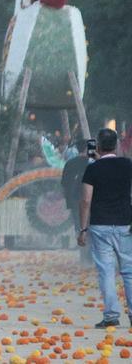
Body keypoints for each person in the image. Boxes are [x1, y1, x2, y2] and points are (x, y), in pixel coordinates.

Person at [76, 128, 132, 328]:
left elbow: (85, 200)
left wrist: (83, 229)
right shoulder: (128, 165)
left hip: (100, 225)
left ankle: (111, 316)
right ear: (116, 145)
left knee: (106, 271)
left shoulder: (93, 169)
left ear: (98, 146)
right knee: (129, 271)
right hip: (125, 224)